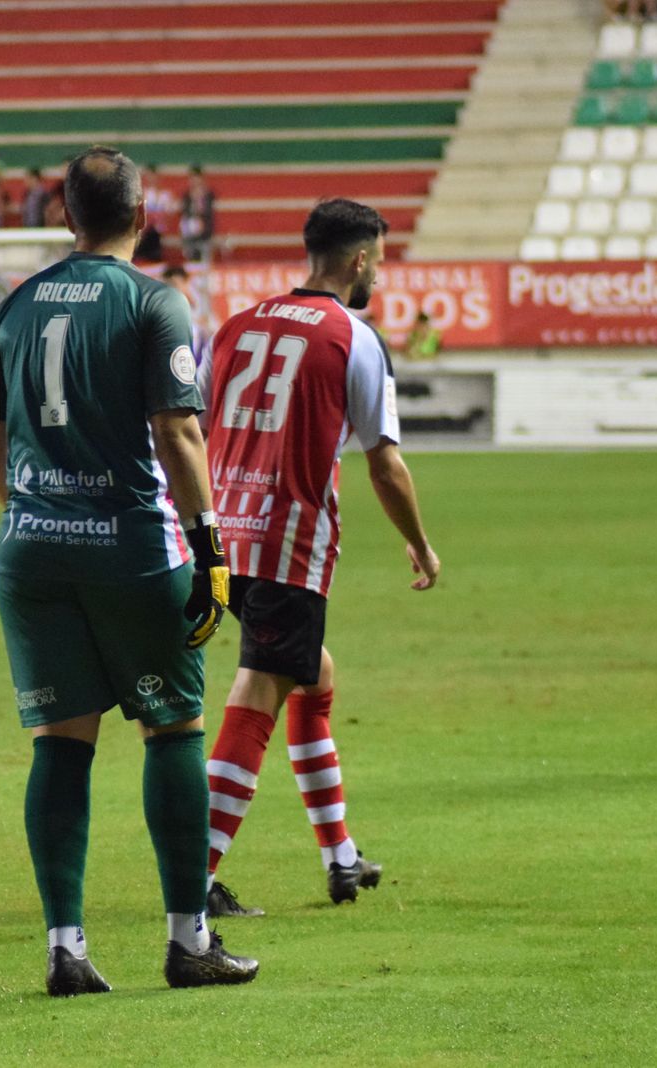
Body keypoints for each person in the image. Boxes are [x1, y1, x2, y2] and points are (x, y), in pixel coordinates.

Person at [0, 144, 259, 998]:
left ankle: (66, 948)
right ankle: (188, 941)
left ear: (65, 217)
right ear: (143, 217)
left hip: (29, 550)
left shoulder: (15, 306)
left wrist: (34, 511)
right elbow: (177, 434)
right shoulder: (154, 303)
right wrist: (209, 546)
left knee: (60, 742)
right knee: (172, 727)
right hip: (131, 547)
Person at [200, 198, 440, 917]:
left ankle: (340, 858)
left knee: (314, 674)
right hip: (285, 542)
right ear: (360, 259)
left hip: (219, 532)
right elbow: (385, 466)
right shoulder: (353, 337)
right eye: (381, 259)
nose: (380, 273)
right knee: (260, 689)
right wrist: (421, 544)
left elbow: (194, 425)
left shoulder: (237, 325)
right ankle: (195, 876)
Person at [135, 164, 173, 263]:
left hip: (158, 231)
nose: (151, 178)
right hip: (144, 231)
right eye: (149, 176)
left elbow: (168, 216)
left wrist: (158, 217)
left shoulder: (165, 195)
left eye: (153, 176)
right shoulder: (142, 194)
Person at [178, 165, 215, 263]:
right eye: (192, 178)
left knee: (204, 262)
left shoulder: (208, 195)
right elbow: (184, 213)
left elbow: (208, 213)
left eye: (197, 178)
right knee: (191, 262)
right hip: (189, 234)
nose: (194, 181)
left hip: (204, 235)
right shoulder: (186, 196)